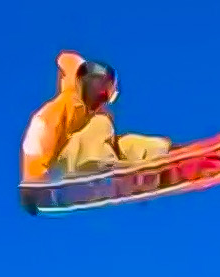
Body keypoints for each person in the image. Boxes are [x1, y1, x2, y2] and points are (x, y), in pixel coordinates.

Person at [20, 52, 173, 184]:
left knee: (126, 142)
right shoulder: (63, 108)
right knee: (99, 124)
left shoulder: (98, 112)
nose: (100, 100)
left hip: (99, 154)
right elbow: (37, 137)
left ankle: (163, 156)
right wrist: (35, 179)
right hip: (67, 164)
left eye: (105, 95)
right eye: (99, 92)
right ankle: (94, 166)